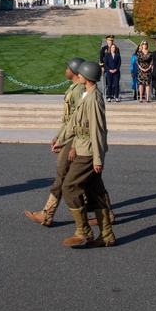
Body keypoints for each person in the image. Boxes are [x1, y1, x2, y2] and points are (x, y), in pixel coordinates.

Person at [56, 60, 115, 248]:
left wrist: (98, 159)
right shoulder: (86, 95)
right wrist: (60, 140)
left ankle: (83, 231)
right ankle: (106, 235)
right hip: (82, 147)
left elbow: (98, 131)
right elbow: (74, 123)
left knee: (69, 187)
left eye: (80, 73)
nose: (77, 75)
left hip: (88, 152)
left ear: (87, 77)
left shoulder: (94, 99)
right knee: (95, 192)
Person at [25, 57, 85, 226]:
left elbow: (79, 119)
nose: (65, 70)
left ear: (74, 71)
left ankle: (47, 213)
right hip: (69, 135)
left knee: (62, 174)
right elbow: (67, 119)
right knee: (89, 180)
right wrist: (59, 135)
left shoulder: (80, 90)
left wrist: (71, 143)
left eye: (67, 68)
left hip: (75, 137)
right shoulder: (74, 88)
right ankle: (104, 213)